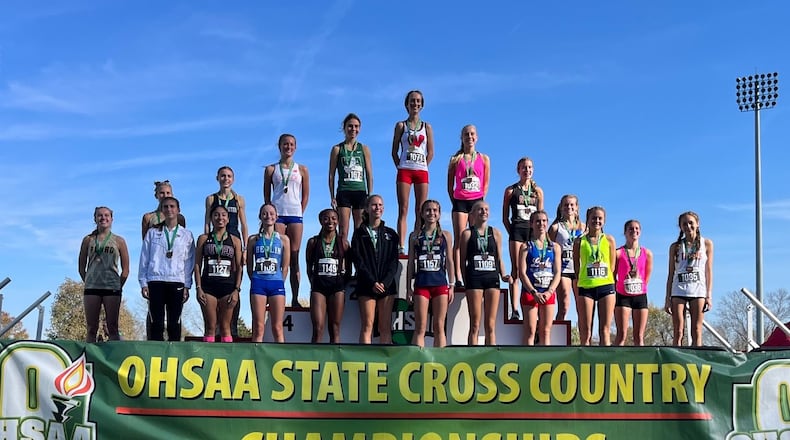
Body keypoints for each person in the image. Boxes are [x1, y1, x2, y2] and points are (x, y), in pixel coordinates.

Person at [139, 197, 195, 342]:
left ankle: (173, 357)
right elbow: (144, 257)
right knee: (156, 323)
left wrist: (187, 285)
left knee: (174, 323)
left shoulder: (187, 235)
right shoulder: (152, 232)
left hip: (177, 281)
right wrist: (143, 282)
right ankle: (155, 357)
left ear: (178, 210)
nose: (169, 209)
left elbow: (189, 262)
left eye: (172, 206)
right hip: (155, 280)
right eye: (165, 207)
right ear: (161, 210)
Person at [264, 134, 309, 308]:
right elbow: (267, 196)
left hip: (295, 215)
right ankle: (276, 294)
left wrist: (299, 211)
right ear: (279, 146)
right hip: (278, 216)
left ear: (295, 147)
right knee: (277, 255)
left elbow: (305, 195)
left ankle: (295, 298)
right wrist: (271, 214)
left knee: (295, 257)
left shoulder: (302, 169)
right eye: (285, 144)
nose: (288, 147)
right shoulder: (270, 169)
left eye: (291, 144)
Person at [204, 165, 248, 338]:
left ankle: (233, 325)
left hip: (233, 242)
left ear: (233, 179)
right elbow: (207, 222)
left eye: (229, 176)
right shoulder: (210, 199)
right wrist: (207, 240)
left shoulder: (239, 199)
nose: (226, 179)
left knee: (234, 282)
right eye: (223, 176)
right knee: (213, 278)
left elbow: (244, 224)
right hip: (215, 241)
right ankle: (212, 328)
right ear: (217, 178)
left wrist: (244, 248)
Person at [459, 200, 510, 345]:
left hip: (492, 279)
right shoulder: (467, 234)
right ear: (473, 214)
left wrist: (504, 275)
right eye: (480, 209)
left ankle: (490, 359)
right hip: (474, 279)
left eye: (486, 209)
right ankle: (473, 358)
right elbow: (462, 261)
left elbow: (499, 257)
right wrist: (465, 280)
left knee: (490, 325)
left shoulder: (496, 233)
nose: (484, 212)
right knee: (475, 324)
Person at [351, 195, 400, 344]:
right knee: (367, 326)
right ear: (367, 208)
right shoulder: (359, 233)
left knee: (385, 327)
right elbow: (358, 261)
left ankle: (385, 363)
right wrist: (372, 282)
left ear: (383, 208)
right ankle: (365, 362)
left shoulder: (391, 234)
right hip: (367, 285)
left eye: (380, 205)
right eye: (374, 205)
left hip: (387, 285)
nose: (377, 208)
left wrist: (384, 282)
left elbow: (394, 261)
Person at [406, 200, 455, 347]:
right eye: (427, 210)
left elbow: (450, 261)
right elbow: (410, 264)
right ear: (421, 213)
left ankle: (439, 363)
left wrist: (451, 285)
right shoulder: (414, 236)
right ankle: (418, 362)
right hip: (421, 285)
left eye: (434, 210)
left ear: (439, 214)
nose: (431, 213)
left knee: (439, 327)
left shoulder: (446, 235)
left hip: (440, 284)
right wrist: (409, 288)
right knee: (420, 327)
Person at [78, 207, 130, 342]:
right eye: (100, 215)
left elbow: (126, 269)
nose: (103, 218)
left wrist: (119, 285)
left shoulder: (119, 241)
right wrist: (89, 281)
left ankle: (113, 359)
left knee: (112, 327)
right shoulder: (88, 240)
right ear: (95, 219)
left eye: (106, 215)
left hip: (111, 287)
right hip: (92, 288)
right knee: (91, 328)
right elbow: (81, 266)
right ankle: (89, 358)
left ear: (112, 219)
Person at [447, 125, 490, 287]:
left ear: (477, 137)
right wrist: (455, 200)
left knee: (474, 238)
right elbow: (449, 184)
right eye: (466, 134)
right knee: (459, 238)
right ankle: (458, 275)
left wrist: (479, 199)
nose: (469, 137)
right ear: (462, 138)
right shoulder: (455, 159)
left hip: (476, 201)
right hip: (460, 202)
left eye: (472, 134)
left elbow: (485, 183)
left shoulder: (484, 158)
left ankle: (473, 271)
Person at [392, 90, 434, 254]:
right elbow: (394, 151)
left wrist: (423, 164)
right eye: (412, 101)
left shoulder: (427, 127)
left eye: (417, 101)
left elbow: (431, 152)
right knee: (403, 208)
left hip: (421, 171)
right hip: (405, 171)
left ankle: (417, 242)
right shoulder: (401, 126)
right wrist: (401, 166)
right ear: (407, 104)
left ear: (422, 105)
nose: (415, 104)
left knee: (421, 210)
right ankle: (401, 245)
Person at [502, 157, 544, 321]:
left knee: (534, 270)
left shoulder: (538, 191)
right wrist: (512, 232)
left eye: (530, 167)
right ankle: (514, 309)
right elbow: (505, 217)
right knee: (517, 270)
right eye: (524, 168)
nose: (527, 170)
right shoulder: (510, 190)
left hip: (533, 233)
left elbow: (541, 216)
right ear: (518, 170)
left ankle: (536, 305)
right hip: (517, 231)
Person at [194, 205, 243, 343]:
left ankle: (227, 359)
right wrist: (198, 288)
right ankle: (208, 359)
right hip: (208, 287)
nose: (220, 218)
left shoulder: (235, 241)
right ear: (211, 218)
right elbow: (197, 265)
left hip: (228, 288)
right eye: (216, 215)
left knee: (225, 327)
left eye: (223, 215)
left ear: (228, 219)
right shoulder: (203, 239)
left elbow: (239, 267)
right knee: (210, 326)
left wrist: (237, 290)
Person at [665, 211, 714, 347]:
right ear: (680, 227)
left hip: (698, 291)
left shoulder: (707, 244)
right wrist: (667, 298)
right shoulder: (675, 246)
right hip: (678, 290)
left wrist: (709, 296)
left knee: (697, 330)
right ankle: (675, 360)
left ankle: (696, 361)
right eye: (684, 224)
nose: (688, 226)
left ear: (697, 224)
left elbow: (708, 271)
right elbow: (670, 273)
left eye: (691, 223)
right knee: (678, 330)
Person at [305, 208, 351, 343]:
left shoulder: (343, 243)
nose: (330, 221)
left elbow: (349, 268)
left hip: (337, 288)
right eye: (326, 218)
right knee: (317, 328)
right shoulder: (313, 242)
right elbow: (308, 266)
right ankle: (314, 360)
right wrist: (313, 281)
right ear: (320, 221)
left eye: (333, 218)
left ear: (337, 221)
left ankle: (334, 361)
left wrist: (342, 283)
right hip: (318, 288)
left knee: (335, 328)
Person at [573, 206, 616, 346]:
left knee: (605, 330)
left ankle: (606, 362)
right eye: (593, 218)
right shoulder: (579, 241)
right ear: (588, 219)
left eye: (600, 218)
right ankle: (584, 362)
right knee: (586, 332)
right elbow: (576, 265)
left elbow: (612, 265)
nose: (596, 221)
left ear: (604, 221)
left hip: (606, 285)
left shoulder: (609, 240)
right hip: (586, 286)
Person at [247, 203, 291, 343]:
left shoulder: (284, 239)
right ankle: (255, 360)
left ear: (276, 216)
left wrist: (279, 280)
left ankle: (281, 359)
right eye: (265, 213)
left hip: (276, 284)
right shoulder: (253, 239)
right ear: (260, 216)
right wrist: (255, 280)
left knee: (277, 327)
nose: (268, 216)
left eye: (271, 213)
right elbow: (249, 265)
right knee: (258, 327)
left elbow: (285, 266)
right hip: (258, 283)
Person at [329, 113, 373, 244]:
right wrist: (332, 195)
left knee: (360, 230)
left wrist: (369, 196)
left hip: (360, 191)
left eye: (356, 126)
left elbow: (369, 173)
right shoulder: (337, 149)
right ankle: (344, 263)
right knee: (343, 231)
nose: (353, 129)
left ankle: (358, 263)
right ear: (344, 128)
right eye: (350, 126)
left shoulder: (364, 148)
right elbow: (331, 174)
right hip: (344, 192)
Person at [518, 210, 561, 346]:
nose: (541, 224)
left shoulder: (555, 247)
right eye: (537, 221)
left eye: (544, 221)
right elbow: (522, 273)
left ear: (547, 223)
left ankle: (546, 363)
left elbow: (558, 272)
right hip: (530, 293)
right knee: (530, 331)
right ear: (531, 224)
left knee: (546, 331)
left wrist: (550, 291)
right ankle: (527, 363)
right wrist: (533, 292)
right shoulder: (526, 247)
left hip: (548, 292)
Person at [613, 220, 653, 346]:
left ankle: (641, 363)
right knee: (621, 335)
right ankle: (614, 362)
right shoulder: (618, 253)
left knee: (639, 337)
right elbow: (612, 275)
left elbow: (647, 276)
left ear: (640, 232)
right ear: (625, 232)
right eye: (630, 229)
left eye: (636, 229)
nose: (634, 231)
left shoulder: (647, 253)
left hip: (640, 296)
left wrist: (638, 285)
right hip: (623, 296)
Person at [548, 195, 584, 323]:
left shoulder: (584, 227)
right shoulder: (555, 227)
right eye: (566, 205)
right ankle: (558, 338)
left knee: (582, 309)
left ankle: (585, 340)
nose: (569, 207)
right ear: (561, 207)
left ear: (577, 208)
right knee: (564, 306)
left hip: (580, 270)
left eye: (572, 205)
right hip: (564, 269)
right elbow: (549, 249)